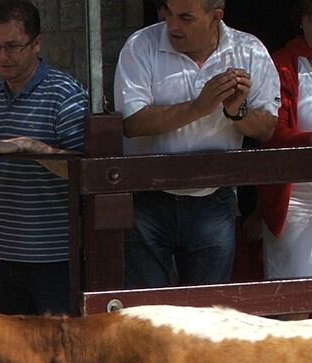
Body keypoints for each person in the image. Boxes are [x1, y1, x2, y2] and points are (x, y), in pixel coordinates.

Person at [113, 0, 280, 288]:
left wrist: (236, 112)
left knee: (207, 312)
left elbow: (267, 128)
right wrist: (199, 107)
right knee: (150, 311)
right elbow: (131, 123)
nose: (172, 25)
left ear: (216, 17)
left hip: (213, 200)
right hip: (148, 199)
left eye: (185, 18)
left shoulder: (249, 50)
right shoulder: (141, 45)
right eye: (168, 12)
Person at [0, 0, 88, 317]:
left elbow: (82, 172)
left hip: (55, 258)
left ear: (36, 44)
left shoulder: (64, 94)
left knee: (55, 353)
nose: (2, 56)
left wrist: (31, 148)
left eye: (12, 46)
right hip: (2, 256)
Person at [256, 0, 312, 282]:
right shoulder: (282, 64)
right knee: (296, 298)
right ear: (302, 21)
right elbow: (274, 133)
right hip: (296, 201)